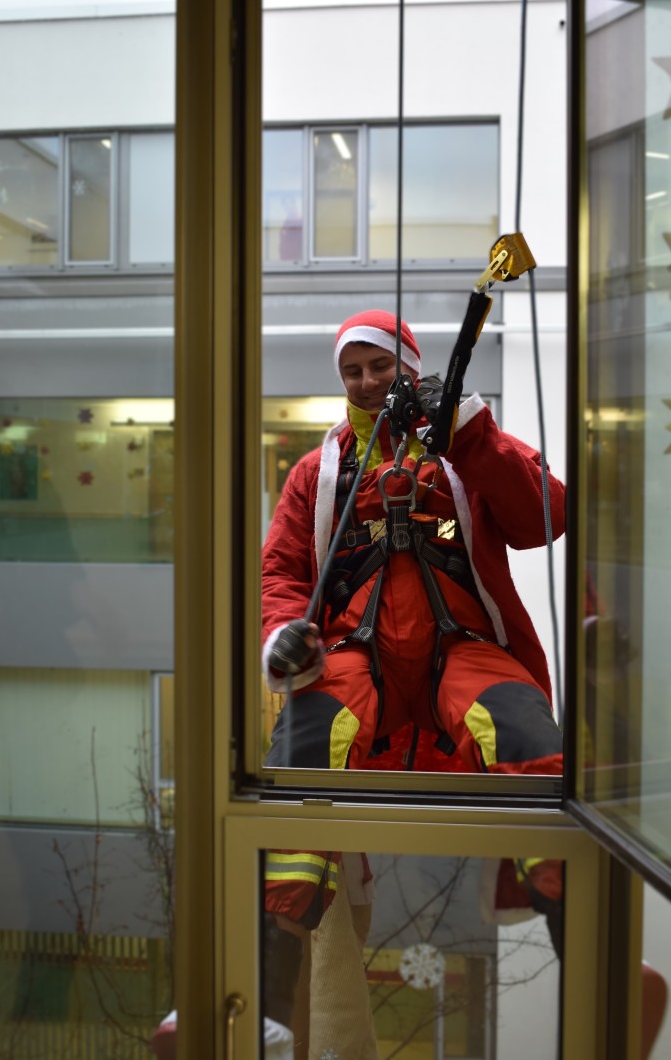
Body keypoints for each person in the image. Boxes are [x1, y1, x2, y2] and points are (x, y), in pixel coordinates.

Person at [260, 309, 566, 1037]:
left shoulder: (466, 448)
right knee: (301, 752)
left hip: (461, 648)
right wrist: (282, 637)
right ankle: (269, 990)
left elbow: (544, 515)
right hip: (353, 654)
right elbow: (282, 568)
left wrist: (468, 427)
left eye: (380, 366)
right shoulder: (320, 470)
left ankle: (578, 936)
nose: (367, 383)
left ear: (411, 365)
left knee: (528, 734)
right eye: (352, 371)